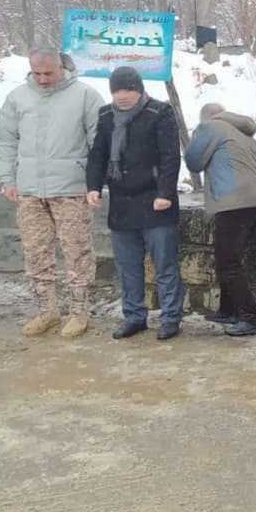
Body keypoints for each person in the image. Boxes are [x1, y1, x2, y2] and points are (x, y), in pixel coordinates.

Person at [0, 49, 104, 338]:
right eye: (37, 73)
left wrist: (95, 182)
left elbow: (100, 143)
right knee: (35, 250)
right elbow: (6, 140)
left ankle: (79, 312)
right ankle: (47, 310)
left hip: (70, 188)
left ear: (61, 67)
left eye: (49, 73)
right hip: (30, 189)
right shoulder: (18, 98)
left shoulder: (85, 96)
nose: (43, 79)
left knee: (77, 250)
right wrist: (6, 177)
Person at [85, 67, 184, 341]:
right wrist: (93, 186)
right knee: (128, 267)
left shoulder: (159, 113)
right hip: (122, 203)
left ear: (139, 90)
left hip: (155, 202)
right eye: (117, 90)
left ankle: (170, 317)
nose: (122, 96)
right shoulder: (106, 115)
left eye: (128, 90)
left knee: (164, 266)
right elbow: (98, 154)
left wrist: (165, 192)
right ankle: (134, 316)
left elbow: (170, 157)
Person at [185, 102, 256, 338]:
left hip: (233, 202)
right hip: (254, 201)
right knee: (231, 257)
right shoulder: (243, 132)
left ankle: (251, 318)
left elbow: (193, 161)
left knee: (227, 262)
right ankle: (228, 310)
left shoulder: (211, 127)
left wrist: (197, 134)